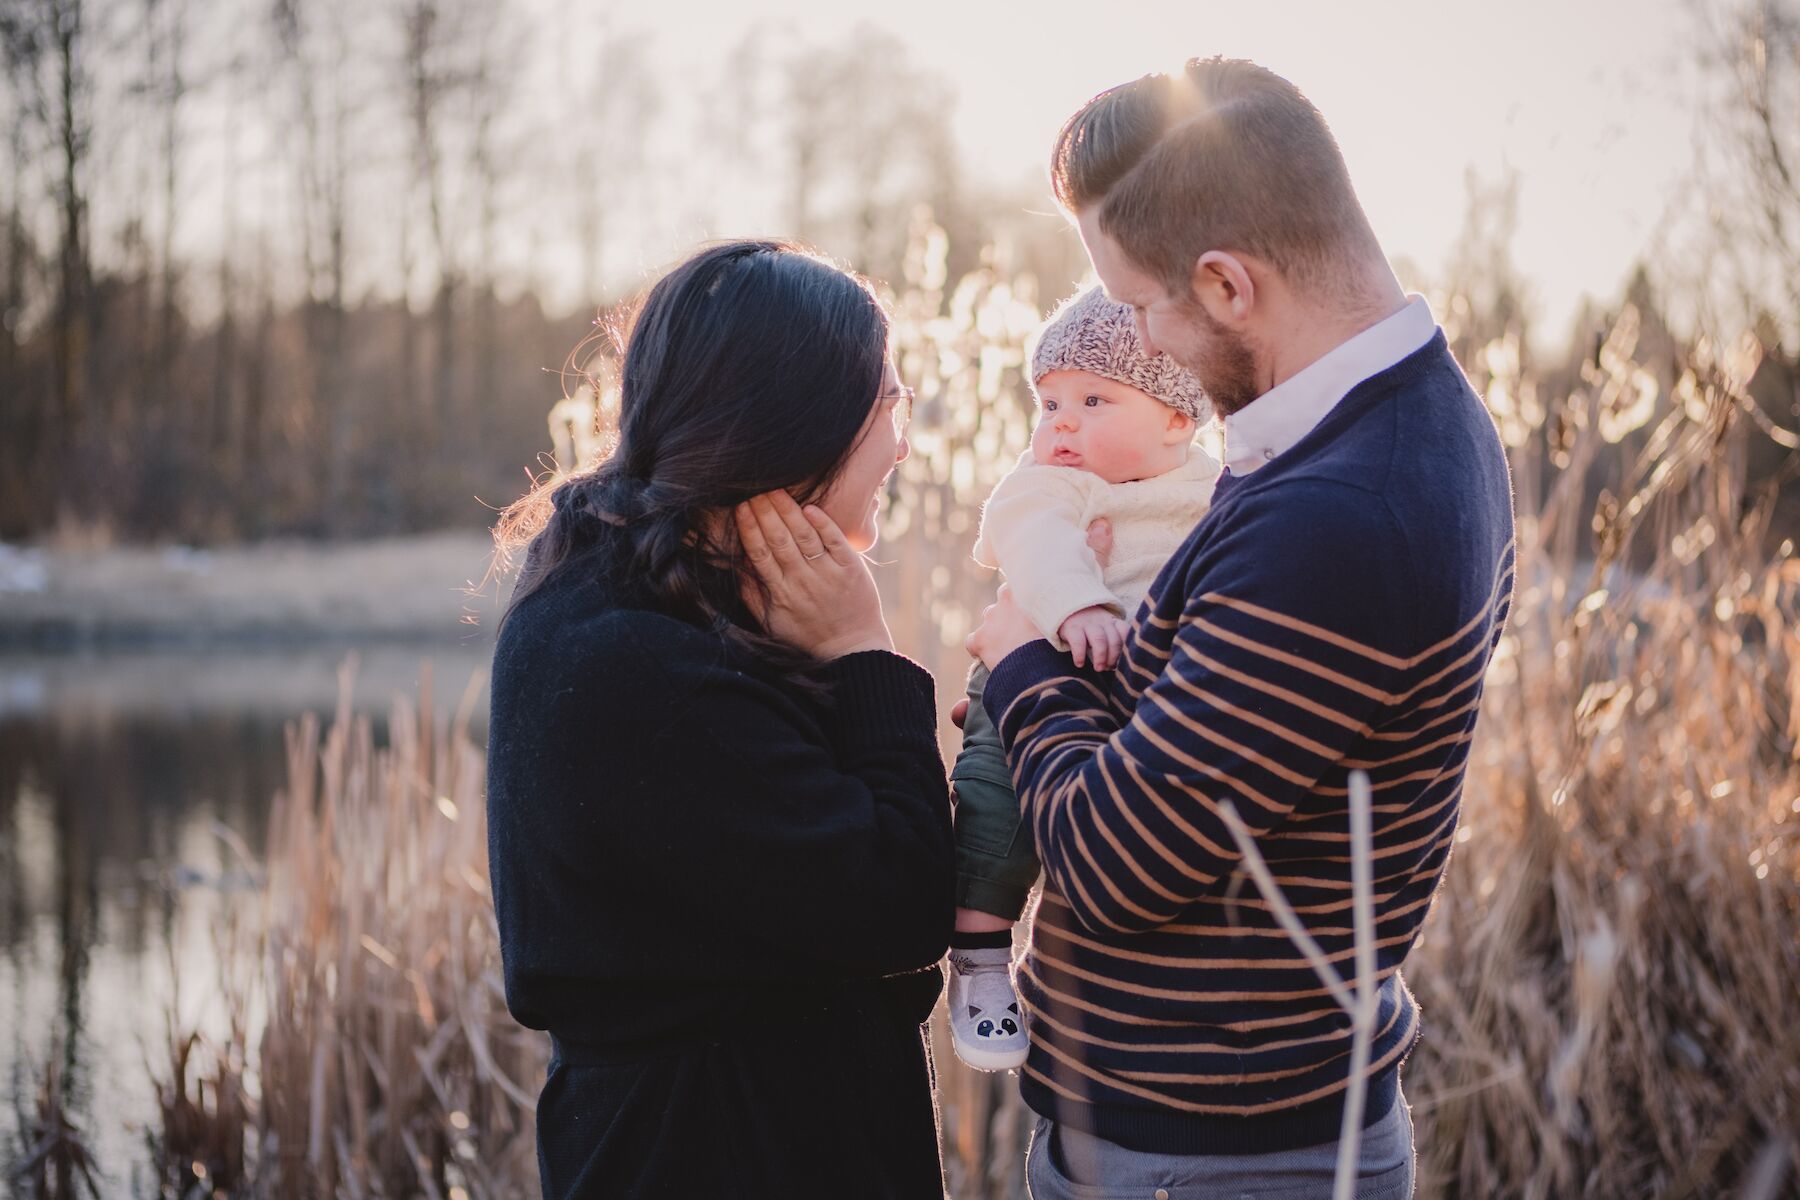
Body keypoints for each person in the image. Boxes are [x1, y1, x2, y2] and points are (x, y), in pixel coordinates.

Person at [967, 59, 1516, 1199]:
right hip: (1235, 1130)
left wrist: (1021, 663)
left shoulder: (1338, 513)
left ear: (1225, 285)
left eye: (1140, 305)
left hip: (1208, 1156)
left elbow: (1117, 862)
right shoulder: (1403, 419)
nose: (1140, 338)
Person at [486, 239, 956, 1198]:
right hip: (720, 1154)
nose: (904, 443)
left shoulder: (634, 605)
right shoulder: (639, 666)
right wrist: (864, 653)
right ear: (800, 418)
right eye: (889, 403)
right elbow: (901, 902)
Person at [945, 284, 1218, 1072]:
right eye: (1050, 402)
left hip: (1134, 691)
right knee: (995, 801)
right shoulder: (1053, 481)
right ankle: (980, 958)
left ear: (1176, 419)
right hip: (1037, 657)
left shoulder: (1214, 489)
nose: (1061, 422)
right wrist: (1077, 607)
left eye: (1093, 400)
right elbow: (1030, 537)